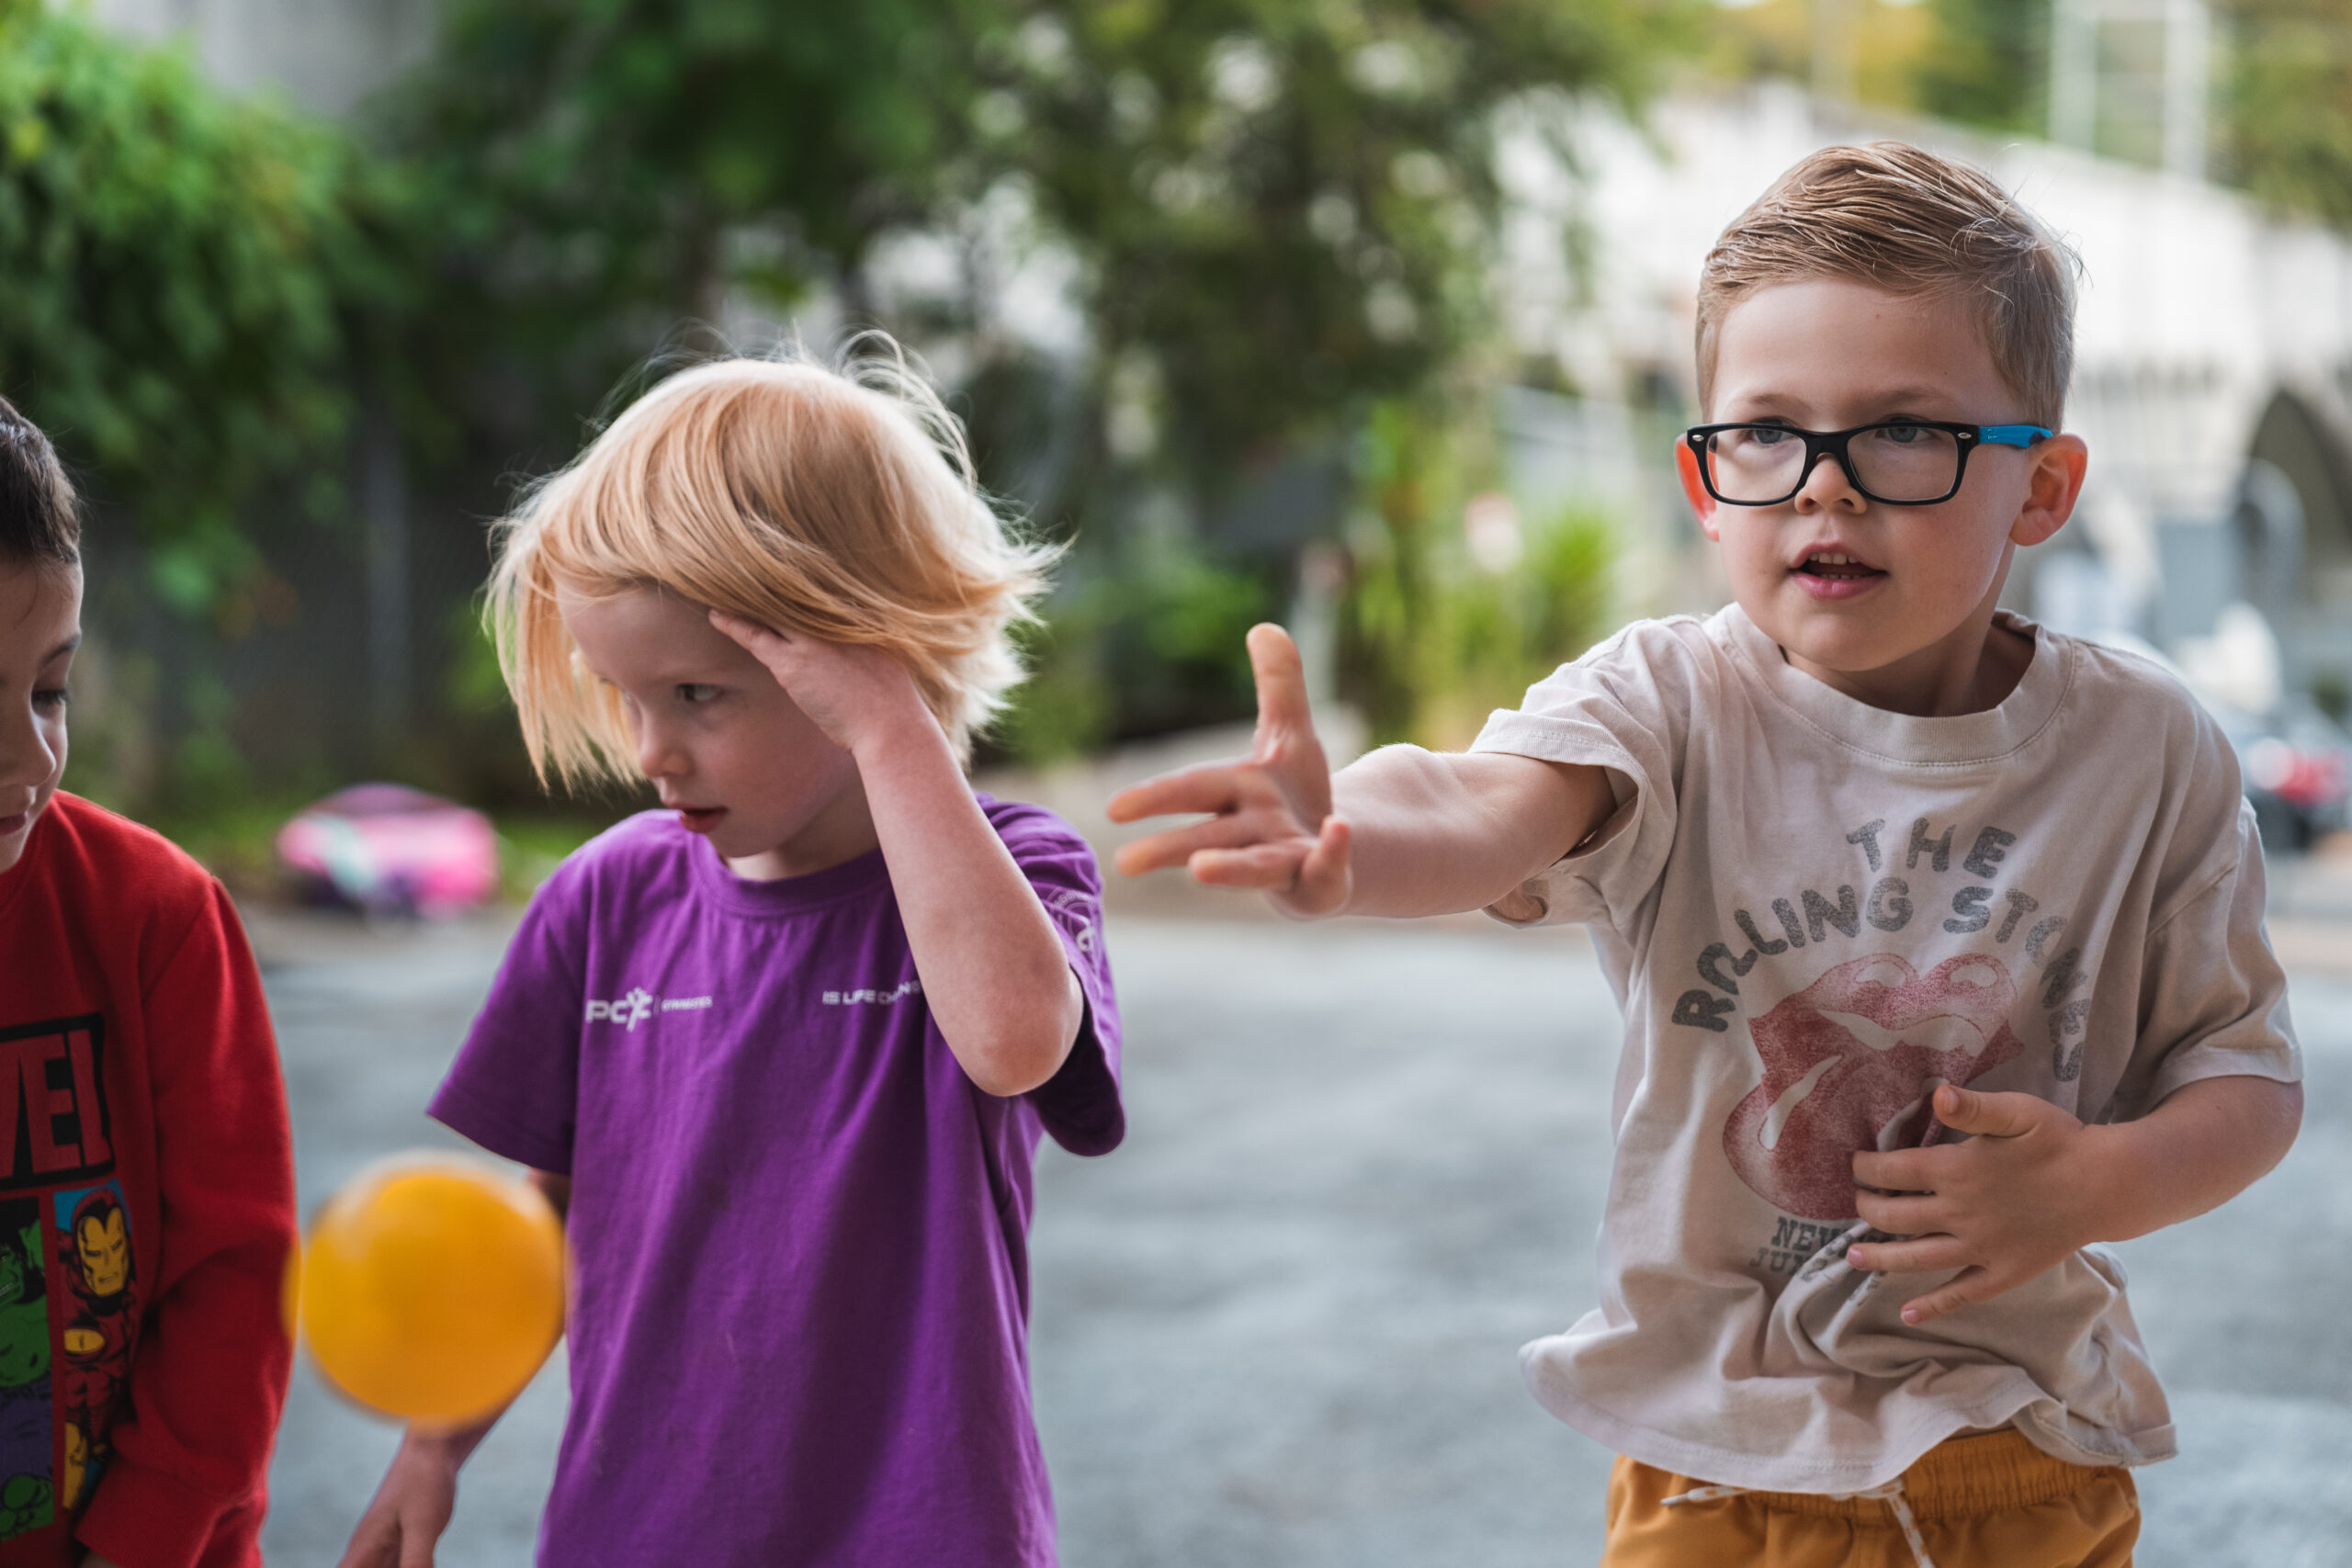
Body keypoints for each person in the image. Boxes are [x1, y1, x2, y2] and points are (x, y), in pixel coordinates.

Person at [1110, 142, 2303, 1566]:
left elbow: (2246, 1078)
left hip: (2026, 1457)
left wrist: (2095, 1185)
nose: (1825, 487)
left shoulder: (2143, 746)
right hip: (1710, 1471)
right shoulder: (1669, 703)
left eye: (1906, 432)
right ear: (1704, 476)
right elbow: (1486, 794)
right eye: (1767, 432)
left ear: (2041, 489)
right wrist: (1351, 833)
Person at [336, 346, 1124, 1568]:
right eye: (623, 693)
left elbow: (1015, 1037)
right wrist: (434, 1443)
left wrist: (886, 723)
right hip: (633, 1530)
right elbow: (542, 1225)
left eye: (699, 693)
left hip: (922, 1535)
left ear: (864, 656)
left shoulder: (1018, 874)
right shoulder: (607, 897)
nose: (651, 749)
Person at [0, 394, 298, 1566]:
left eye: (48, 688)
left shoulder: (158, 919)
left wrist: (138, 1545)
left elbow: (237, 1282)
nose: (30, 756)